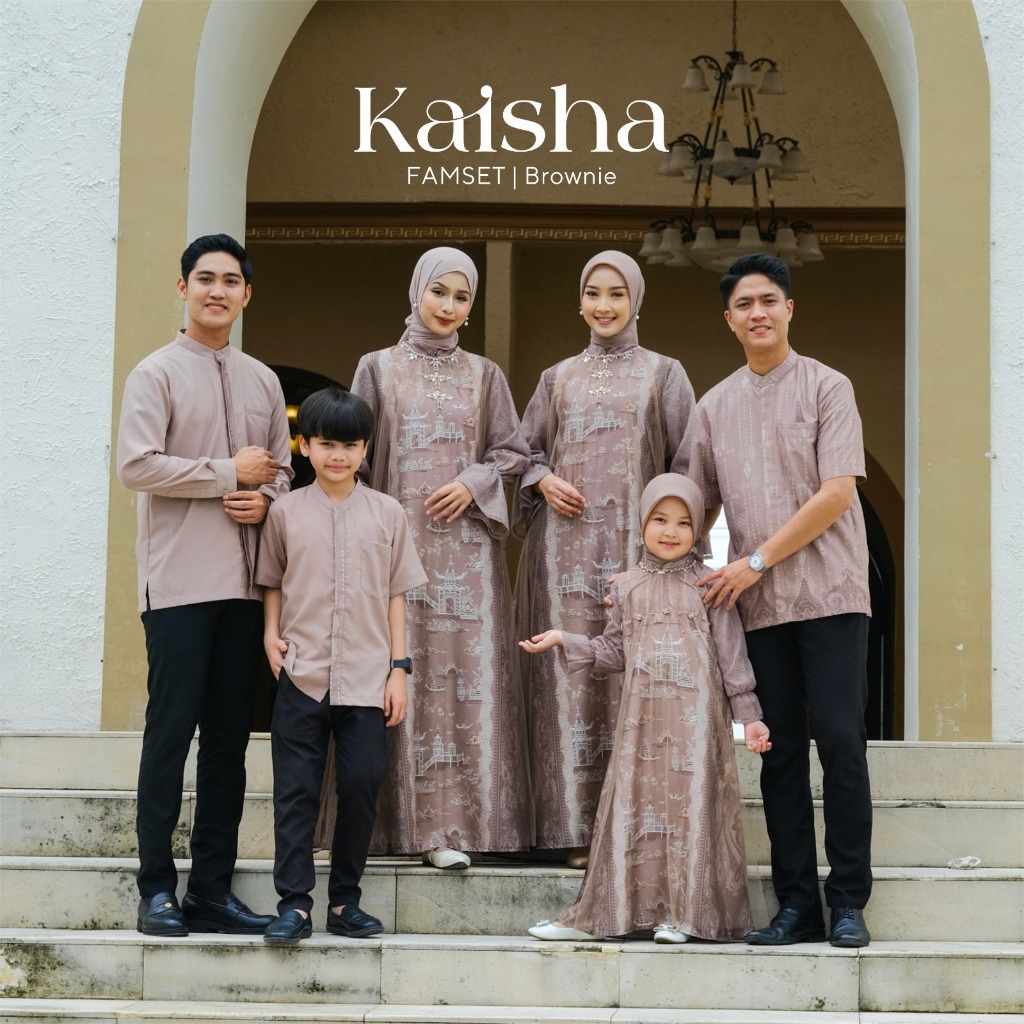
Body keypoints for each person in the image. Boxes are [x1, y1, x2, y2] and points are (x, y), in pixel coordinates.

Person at [687, 253, 873, 948]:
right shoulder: (713, 407)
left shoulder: (828, 386)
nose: (758, 313)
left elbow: (837, 492)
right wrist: (656, 573)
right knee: (780, 753)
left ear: (789, 309)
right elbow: (693, 502)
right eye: (744, 304)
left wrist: (755, 560)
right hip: (759, 610)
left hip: (831, 595)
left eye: (769, 300)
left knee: (841, 741)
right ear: (728, 319)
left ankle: (848, 901)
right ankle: (798, 906)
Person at [332, 246, 531, 868]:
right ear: (416, 290)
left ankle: (466, 828)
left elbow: (512, 452)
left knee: (465, 680)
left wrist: (473, 482)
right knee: (400, 672)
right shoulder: (377, 368)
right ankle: (401, 827)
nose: (448, 306)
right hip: (398, 548)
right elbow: (353, 456)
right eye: (438, 291)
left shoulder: (486, 375)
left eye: (462, 296)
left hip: (469, 560)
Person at [117, 233, 292, 936]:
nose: (217, 290)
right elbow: (137, 466)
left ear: (247, 294)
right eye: (205, 278)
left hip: (245, 590)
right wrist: (227, 474)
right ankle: (156, 890)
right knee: (169, 737)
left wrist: (267, 499)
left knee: (228, 744)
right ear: (183, 287)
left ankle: (211, 892)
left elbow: (281, 471)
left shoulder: (263, 381)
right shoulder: (155, 373)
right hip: (179, 587)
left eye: (230, 281)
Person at [520, 473, 770, 942]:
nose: (670, 531)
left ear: (697, 529)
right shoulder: (627, 586)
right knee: (638, 809)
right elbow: (614, 651)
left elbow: (732, 655)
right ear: (642, 523)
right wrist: (564, 638)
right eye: (660, 519)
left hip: (697, 726)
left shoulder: (710, 584)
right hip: (642, 725)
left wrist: (750, 717)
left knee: (689, 810)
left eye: (683, 522)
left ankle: (685, 916)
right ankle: (610, 915)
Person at [513, 251, 695, 866]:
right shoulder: (555, 378)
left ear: (636, 300)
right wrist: (542, 480)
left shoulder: (664, 375)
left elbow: (689, 468)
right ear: (580, 301)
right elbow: (520, 453)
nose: (605, 305)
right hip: (560, 554)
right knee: (566, 676)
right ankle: (566, 828)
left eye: (617, 293)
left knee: (627, 677)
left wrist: (671, 549)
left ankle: (625, 829)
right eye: (594, 292)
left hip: (633, 556)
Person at [256, 388, 427, 944]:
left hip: (367, 676)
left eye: (350, 445)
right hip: (302, 672)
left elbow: (397, 594)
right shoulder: (284, 512)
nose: (338, 455)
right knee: (295, 791)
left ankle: (344, 902)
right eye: (327, 443)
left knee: (360, 783)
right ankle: (294, 905)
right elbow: (272, 581)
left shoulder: (388, 513)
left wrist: (399, 668)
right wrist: (270, 636)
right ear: (305, 446)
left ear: (365, 449)